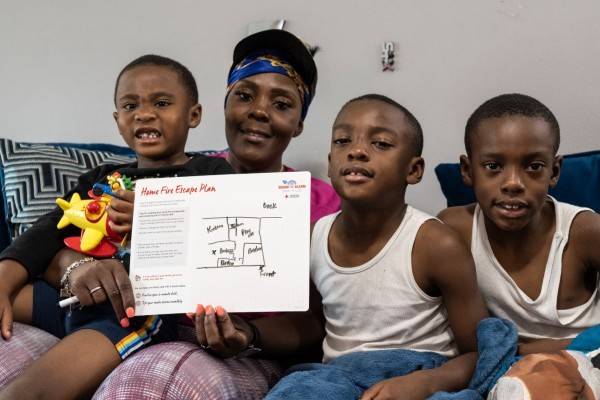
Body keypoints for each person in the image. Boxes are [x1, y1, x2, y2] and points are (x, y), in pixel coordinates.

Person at [0, 54, 234, 400]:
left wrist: (154, 218)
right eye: (130, 105)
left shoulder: (210, 174)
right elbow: (49, 229)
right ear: (118, 120)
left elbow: (219, 238)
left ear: (193, 115)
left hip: (131, 311)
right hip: (68, 298)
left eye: (162, 102)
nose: (144, 113)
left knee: (28, 392)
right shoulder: (101, 177)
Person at [265, 94, 490, 399]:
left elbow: (478, 354)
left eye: (380, 144)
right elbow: (313, 324)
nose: (357, 151)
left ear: (414, 170)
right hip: (339, 376)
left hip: (422, 374)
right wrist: (248, 334)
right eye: (343, 141)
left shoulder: (435, 244)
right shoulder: (313, 238)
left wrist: (422, 384)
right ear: (331, 165)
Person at [438, 93, 600, 398]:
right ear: (467, 170)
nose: (513, 182)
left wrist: (531, 349)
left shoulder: (585, 231)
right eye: (493, 166)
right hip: (512, 376)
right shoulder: (452, 230)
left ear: (554, 171)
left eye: (534, 166)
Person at [214, 29, 340, 224]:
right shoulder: (182, 180)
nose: (259, 111)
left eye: (281, 104)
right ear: (226, 105)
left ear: (298, 125)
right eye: (245, 96)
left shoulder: (326, 206)